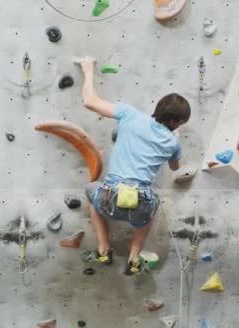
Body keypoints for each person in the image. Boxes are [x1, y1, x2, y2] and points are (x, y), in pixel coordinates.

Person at [74, 56, 191, 276]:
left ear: (157, 110)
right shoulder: (173, 142)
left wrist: (88, 69)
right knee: (150, 212)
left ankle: (103, 248)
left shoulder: (130, 115)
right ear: (179, 123)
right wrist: (175, 137)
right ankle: (135, 256)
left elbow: (90, 102)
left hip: (112, 196)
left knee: (92, 192)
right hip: (141, 201)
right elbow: (175, 168)